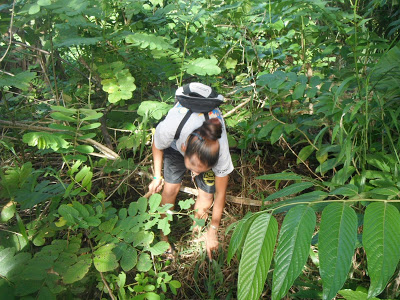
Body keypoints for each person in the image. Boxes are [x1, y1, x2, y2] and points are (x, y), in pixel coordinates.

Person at [147, 82, 234, 261]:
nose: (194, 174)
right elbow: (157, 144)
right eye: (192, 169)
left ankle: (196, 231)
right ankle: (164, 238)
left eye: (201, 170)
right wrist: (157, 176)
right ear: (184, 148)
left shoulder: (220, 151)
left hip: (200, 149)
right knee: (170, 189)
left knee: (207, 195)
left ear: (213, 162)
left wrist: (214, 229)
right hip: (176, 142)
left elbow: (220, 194)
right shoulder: (173, 125)